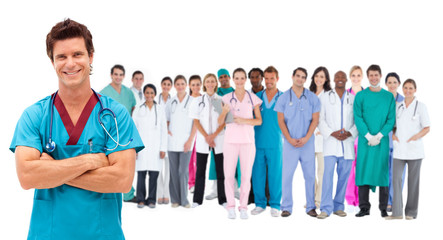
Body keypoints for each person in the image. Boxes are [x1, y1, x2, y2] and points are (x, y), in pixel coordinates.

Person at [10, 19, 144, 239]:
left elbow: (121, 180)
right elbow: (27, 176)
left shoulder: (115, 115)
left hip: (102, 234)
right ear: (52, 61)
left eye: (77, 54)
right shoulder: (34, 116)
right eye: (61, 56)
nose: (70, 63)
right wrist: (90, 161)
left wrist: (52, 171)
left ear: (91, 56)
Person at [275, 67, 320, 218]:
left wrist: (307, 137)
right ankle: (286, 207)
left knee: (309, 176)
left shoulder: (312, 98)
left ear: (305, 79)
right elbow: (280, 121)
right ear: (292, 76)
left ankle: (311, 207)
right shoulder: (283, 98)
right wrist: (288, 138)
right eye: (298, 76)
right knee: (287, 176)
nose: (300, 79)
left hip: (307, 143)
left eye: (303, 77)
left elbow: (315, 120)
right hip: (289, 144)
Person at [219, 68, 262, 220]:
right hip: (230, 142)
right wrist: (224, 112)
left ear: (245, 79)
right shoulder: (225, 98)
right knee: (229, 176)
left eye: (242, 78)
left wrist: (243, 121)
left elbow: (259, 120)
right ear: (233, 79)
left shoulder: (253, 98)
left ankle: (243, 207)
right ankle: (230, 207)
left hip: (247, 142)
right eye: (236, 78)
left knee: (245, 176)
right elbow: (220, 122)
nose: (239, 81)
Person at [354, 64, 396, 218]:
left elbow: (391, 119)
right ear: (367, 76)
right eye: (371, 75)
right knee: (363, 171)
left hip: (382, 141)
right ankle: (364, 207)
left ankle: (383, 208)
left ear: (380, 75)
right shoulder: (361, 96)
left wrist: (378, 136)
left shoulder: (388, 97)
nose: (373, 78)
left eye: (376, 75)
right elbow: (358, 117)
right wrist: (367, 136)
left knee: (382, 172)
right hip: (365, 142)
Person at [386, 79, 430, 220]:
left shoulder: (421, 106)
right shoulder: (398, 106)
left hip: (414, 150)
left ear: (415, 90)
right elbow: (392, 125)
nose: (407, 90)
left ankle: (411, 213)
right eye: (405, 88)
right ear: (402, 89)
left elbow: (427, 127)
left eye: (410, 88)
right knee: (396, 180)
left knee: (413, 182)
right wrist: (393, 135)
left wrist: (416, 136)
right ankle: (397, 213)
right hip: (399, 150)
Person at [317, 71, 357, 219]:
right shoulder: (325, 97)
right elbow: (320, 120)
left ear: (346, 80)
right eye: (337, 76)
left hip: (347, 144)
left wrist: (350, 133)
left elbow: (357, 120)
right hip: (330, 144)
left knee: (343, 177)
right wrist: (332, 133)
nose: (340, 79)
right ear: (333, 79)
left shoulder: (353, 98)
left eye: (342, 77)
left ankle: (339, 206)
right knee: (327, 177)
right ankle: (326, 208)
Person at [100, 64, 138, 202]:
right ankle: (110, 193)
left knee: (128, 164)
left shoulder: (128, 92)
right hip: (110, 133)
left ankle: (128, 194)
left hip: (126, 132)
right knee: (111, 163)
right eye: (116, 74)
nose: (118, 77)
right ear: (111, 75)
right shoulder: (104, 92)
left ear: (124, 76)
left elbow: (133, 109)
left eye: (121, 75)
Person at [189, 73, 227, 207]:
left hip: (219, 139)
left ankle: (223, 199)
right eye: (208, 81)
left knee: (221, 171)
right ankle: (197, 200)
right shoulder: (198, 101)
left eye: (212, 81)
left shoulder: (221, 100)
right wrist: (207, 136)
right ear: (204, 84)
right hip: (203, 140)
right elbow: (196, 121)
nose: (210, 84)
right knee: (200, 171)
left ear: (216, 84)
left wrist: (213, 135)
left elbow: (223, 122)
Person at [251, 66, 283, 217]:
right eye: (267, 78)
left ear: (277, 79)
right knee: (258, 174)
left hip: (276, 143)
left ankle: (275, 204)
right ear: (264, 79)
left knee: (275, 174)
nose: (269, 81)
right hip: (257, 142)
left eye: (272, 78)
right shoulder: (256, 97)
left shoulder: (284, 98)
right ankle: (259, 203)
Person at [206, 68, 239, 201]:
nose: (223, 79)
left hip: (233, 130)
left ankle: (235, 189)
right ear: (218, 80)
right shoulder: (215, 93)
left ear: (229, 77)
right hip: (218, 132)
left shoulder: (236, 92)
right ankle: (215, 190)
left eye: (226, 76)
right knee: (216, 161)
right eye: (221, 77)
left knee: (233, 160)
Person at [133, 84, 167, 209]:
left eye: (152, 93)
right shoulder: (138, 109)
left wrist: (163, 147)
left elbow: (164, 129)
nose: (149, 95)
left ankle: (152, 199)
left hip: (156, 147)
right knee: (141, 175)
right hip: (141, 147)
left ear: (155, 94)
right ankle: (141, 199)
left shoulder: (160, 109)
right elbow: (134, 129)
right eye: (147, 93)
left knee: (154, 175)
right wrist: (135, 148)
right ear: (144, 94)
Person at [165, 75, 197, 208]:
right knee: (173, 171)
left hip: (186, 142)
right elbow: (166, 119)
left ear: (187, 85)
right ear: (174, 86)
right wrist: (167, 130)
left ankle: (184, 200)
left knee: (183, 171)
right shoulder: (170, 101)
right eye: (177, 84)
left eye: (182, 83)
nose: (180, 86)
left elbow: (196, 122)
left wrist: (190, 140)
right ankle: (175, 200)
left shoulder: (192, 101)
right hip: (172, 142)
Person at [309, 66, 332, 209]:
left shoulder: (330, 96)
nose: (319, 79)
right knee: (309, 172)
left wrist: (320, 129)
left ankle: (318, 200)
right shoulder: (307, 94)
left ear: (326, 79)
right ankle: (312, 199)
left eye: (322, 77)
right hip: (308, 138)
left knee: (322, 171)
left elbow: (331, 117)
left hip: (324, 139)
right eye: (317, 76)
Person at [385, 72, 405, 212]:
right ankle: (387, 201)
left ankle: (395, 200)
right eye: (389, 82)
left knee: (398, 174)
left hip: (400, 141)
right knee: (386, 172)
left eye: (394, 82)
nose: (392, 85)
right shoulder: (381, 99)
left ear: (399, 83)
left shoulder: (404, 101)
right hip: (384, 140)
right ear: (386, 84)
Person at [345, 65, 364, 212]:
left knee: (362, 168)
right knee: (350, 168)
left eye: (358, 75)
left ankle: (362, 200)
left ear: (362, 77)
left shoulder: (368, 94)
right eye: (353, 75)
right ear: (350, 77)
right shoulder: (345, 94)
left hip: (364, 136)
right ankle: (350, 199)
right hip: (349, 136)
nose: (356, 78)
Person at [157, 76, 173, 204]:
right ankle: (159, 193)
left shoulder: (173, 101)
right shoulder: (155, 99)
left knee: (169, 166)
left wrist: (167, 127)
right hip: (158, 136)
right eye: (164, 84)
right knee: (157, 165)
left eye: (168, 84)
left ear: (171, 86)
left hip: (171, 136)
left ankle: (166, 193)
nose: (166, 86)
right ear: (161, 85)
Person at [188, 75, 202, 193]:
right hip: (188, 134)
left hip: (202, 133)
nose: (196, 87)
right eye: (193, 85)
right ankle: (191, 183)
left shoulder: (205, 98)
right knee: (189, 160)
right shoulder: (187, 100)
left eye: (198, 84)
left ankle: (198, 183)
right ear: (189, 86)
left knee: (198, 160)